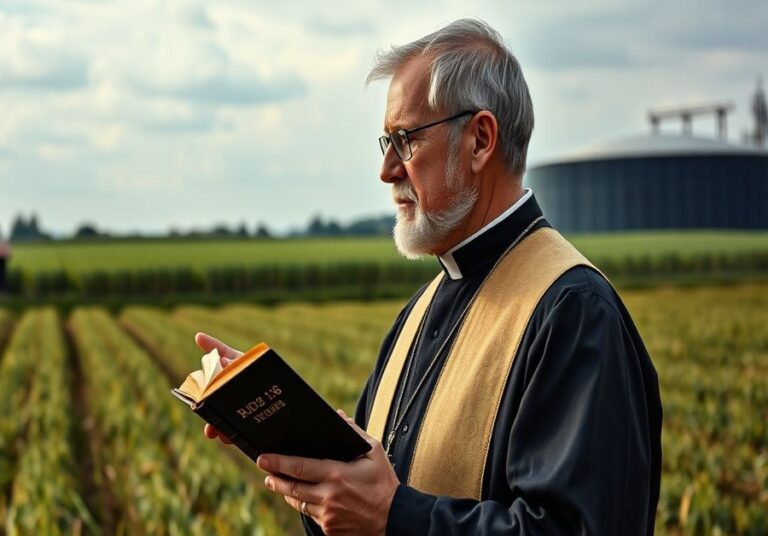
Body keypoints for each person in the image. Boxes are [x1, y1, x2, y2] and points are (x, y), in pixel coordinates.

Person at [196, 18, 662, 535]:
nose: (388, 169)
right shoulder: (418, 310)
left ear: (480, 140)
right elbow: (364, 509)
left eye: (406, 139)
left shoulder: (573, 310)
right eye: (386, 143)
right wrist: (300, 447)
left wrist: (393, 516)